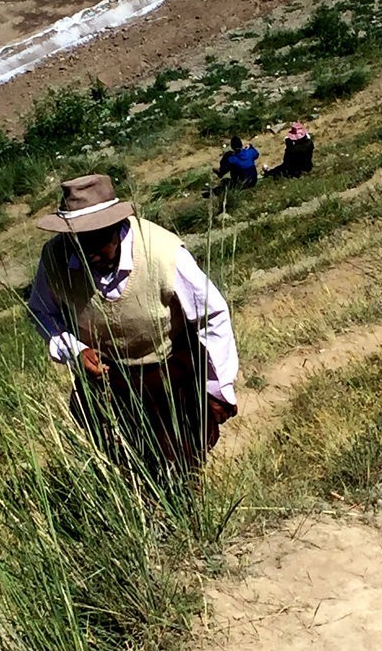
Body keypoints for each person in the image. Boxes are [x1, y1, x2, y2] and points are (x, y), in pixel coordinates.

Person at [28, 174, 238, 474]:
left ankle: (185, 511)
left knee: (180, 460)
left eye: (98, 242)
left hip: (167, 371)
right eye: (79, 243)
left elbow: (212, 316)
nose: (90, 254)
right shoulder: (54, 258)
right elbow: (42, 312)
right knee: (124, 455)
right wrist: (74, 350)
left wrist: (217, 389)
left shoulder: (163, 253)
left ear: (116, 227)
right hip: (106, 380)